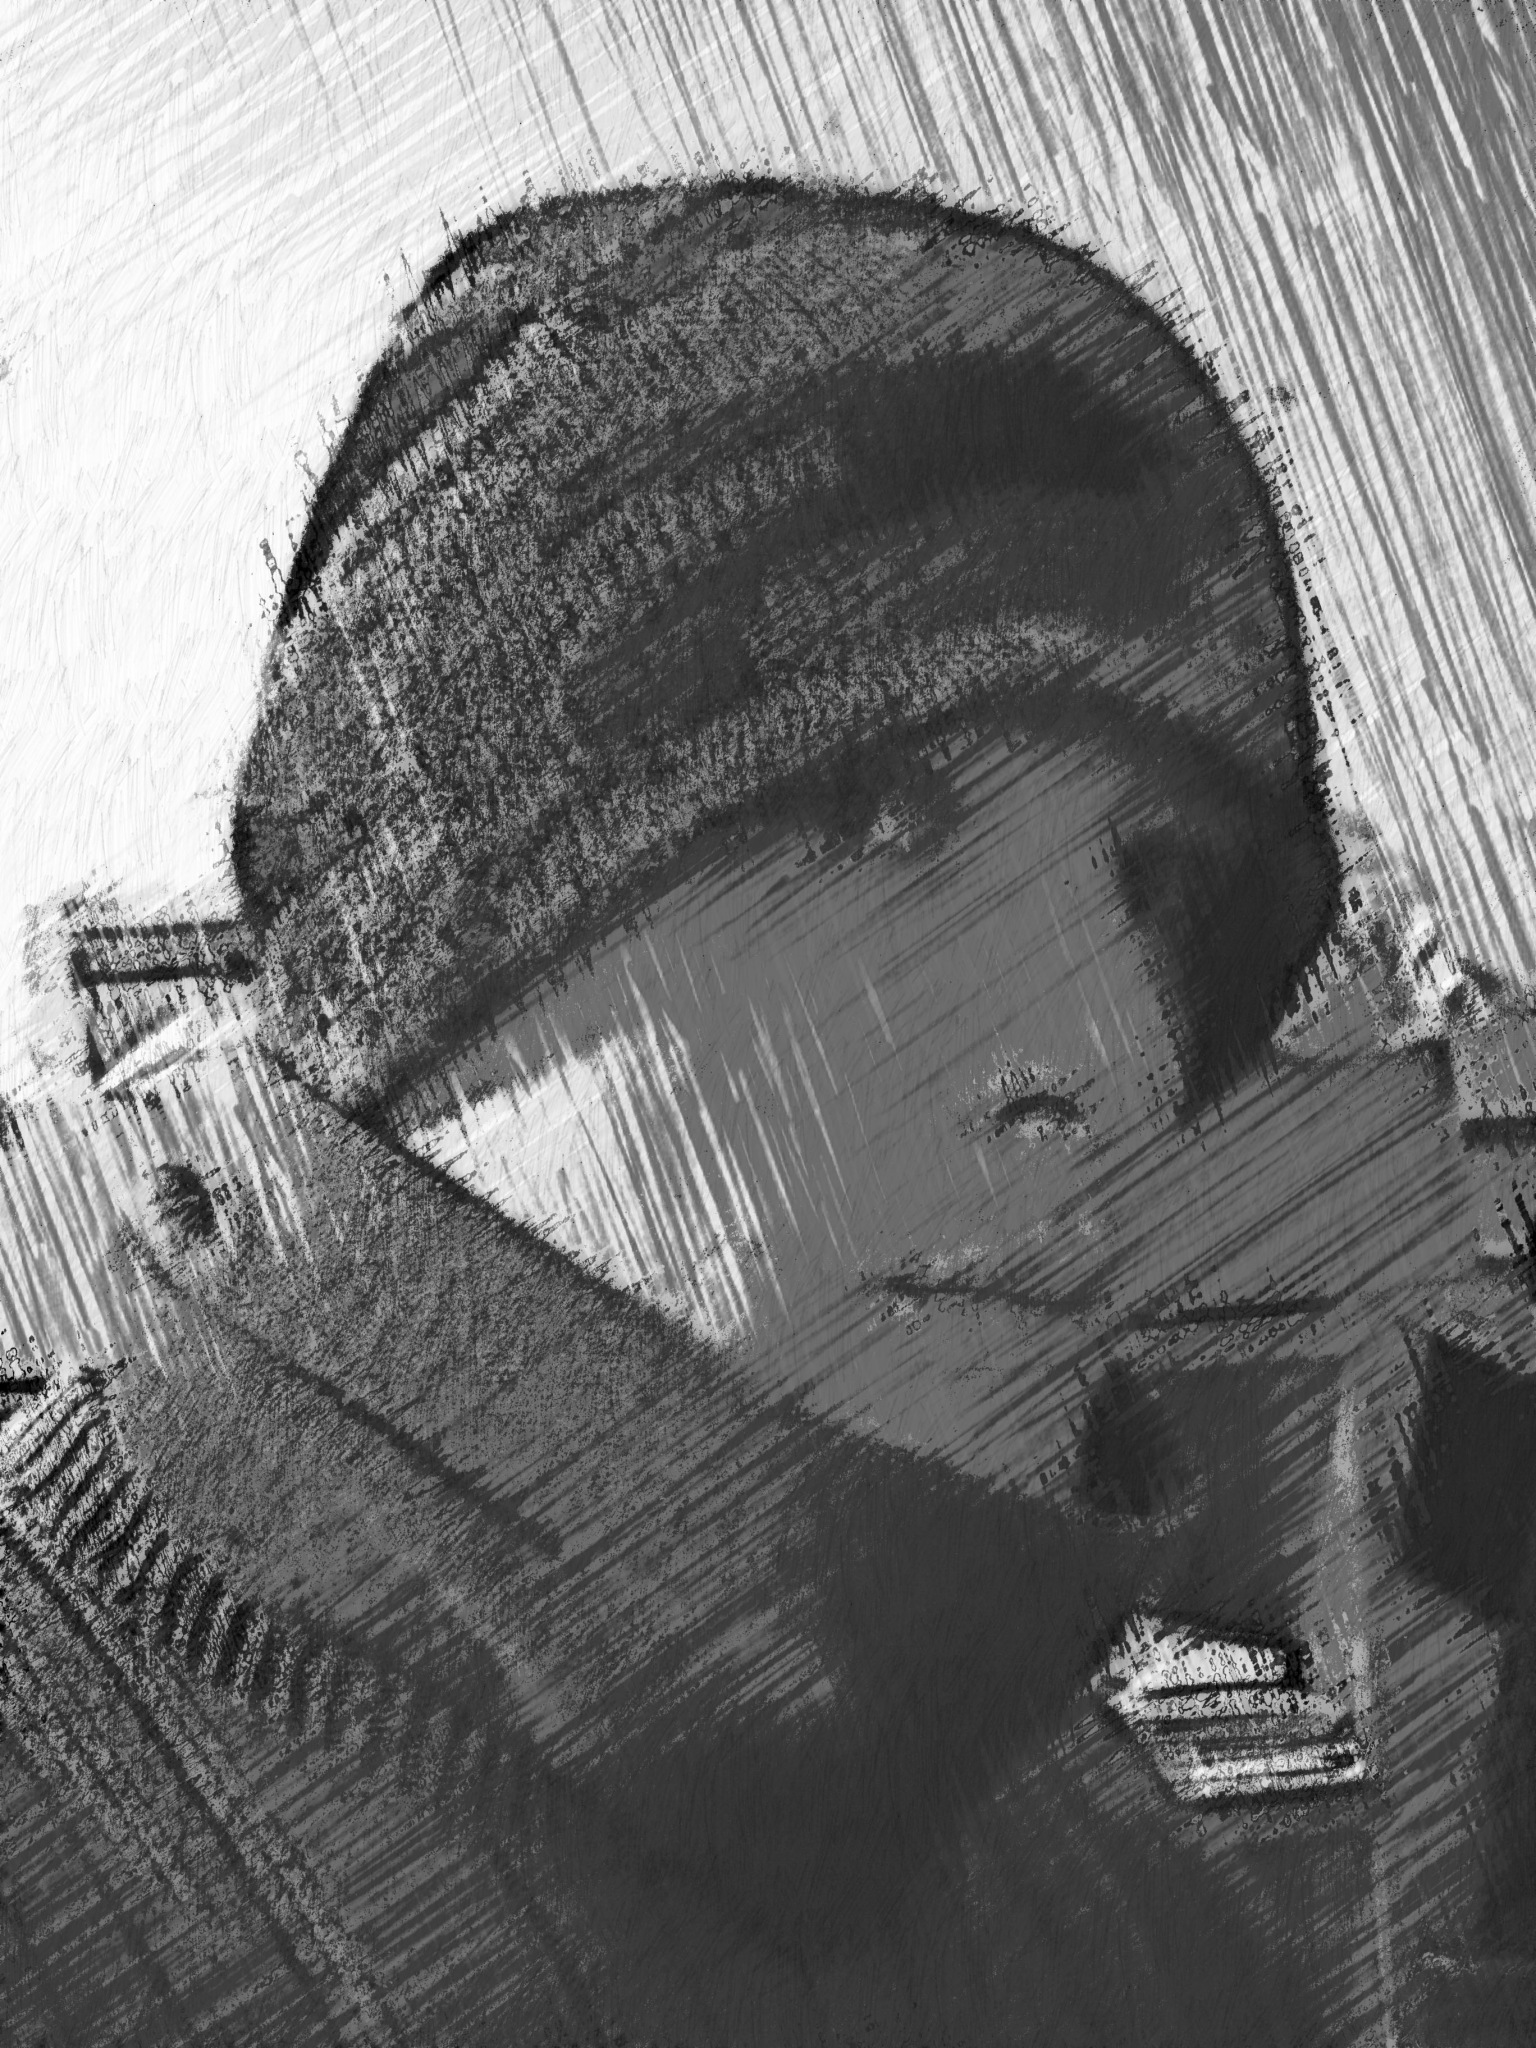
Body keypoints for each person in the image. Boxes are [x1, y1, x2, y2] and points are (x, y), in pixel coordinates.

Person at [5, 180, 1532, 2044]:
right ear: (442, 972)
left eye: (1147, 892)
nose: (1103, 1051)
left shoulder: (1144, 1927)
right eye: (874, 817)